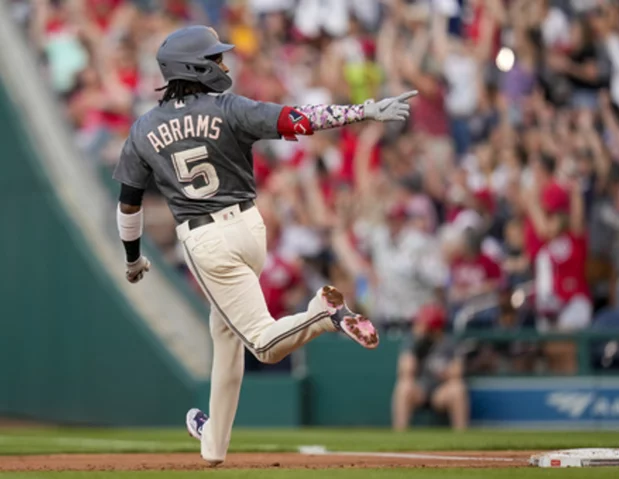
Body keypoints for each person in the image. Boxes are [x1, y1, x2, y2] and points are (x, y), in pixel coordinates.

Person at [112, 25, 416, 466]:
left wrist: (134, 258)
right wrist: (364, 111)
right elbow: (301, 119)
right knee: (225, 334)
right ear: (194, 66)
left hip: (206, 239)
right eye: (215, 58)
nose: (223, 64)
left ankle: (322, 315)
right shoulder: (230, 107)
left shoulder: (144, 129)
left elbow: (128, 205)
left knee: (262, 344)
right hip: (251, 228)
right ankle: (213, 444)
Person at [391, 303, 468, 432]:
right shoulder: (414, 342)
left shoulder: (449, 343)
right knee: (404, 386)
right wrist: (416, 345)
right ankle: (400, 434)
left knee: (457, 388)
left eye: (424, 325)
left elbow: (457, 371)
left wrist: (443, 371)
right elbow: (405, 370)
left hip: (440, 392)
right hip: (420, 390)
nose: (419, 327)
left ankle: (461, 433)